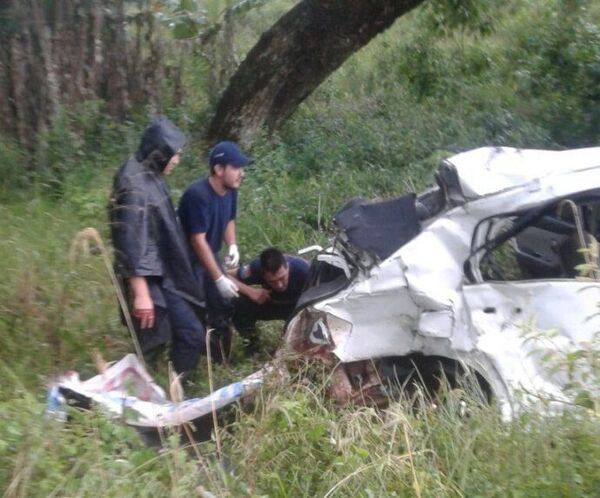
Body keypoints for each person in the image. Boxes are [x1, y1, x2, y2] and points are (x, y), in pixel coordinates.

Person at [108, 116, 206, 377]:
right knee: (159, 341)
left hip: (162, 271)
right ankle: (138, 395)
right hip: (147, 279)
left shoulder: (149, 172)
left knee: (183, 334)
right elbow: (129, 242)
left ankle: (172, 388)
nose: (177, 160)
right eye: (175, 154)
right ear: (161, 151)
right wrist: (141, 293)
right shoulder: (133, 184)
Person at [178, 140, 252, 361]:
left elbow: (229, 220)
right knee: (196, 311)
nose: (242, 174)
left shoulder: (231, 191)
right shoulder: (197, 196)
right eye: (236, 168)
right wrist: (219, 277)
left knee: (223, 305)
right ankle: (188, 363)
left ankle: (221, 361)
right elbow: (197, 241)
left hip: (211, 255)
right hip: (187, 262)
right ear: (219, 170)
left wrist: (233, 246)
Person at [228, 247, 309, 355]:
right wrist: (250, 291)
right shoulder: (255, 267)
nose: (279, 285)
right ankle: (252, 347)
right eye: (273, 281)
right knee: (237, 302)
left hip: (298, 308)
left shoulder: (303, 270)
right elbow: (225, 275)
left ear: (287, 267)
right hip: (271, 303)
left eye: (282, 278)